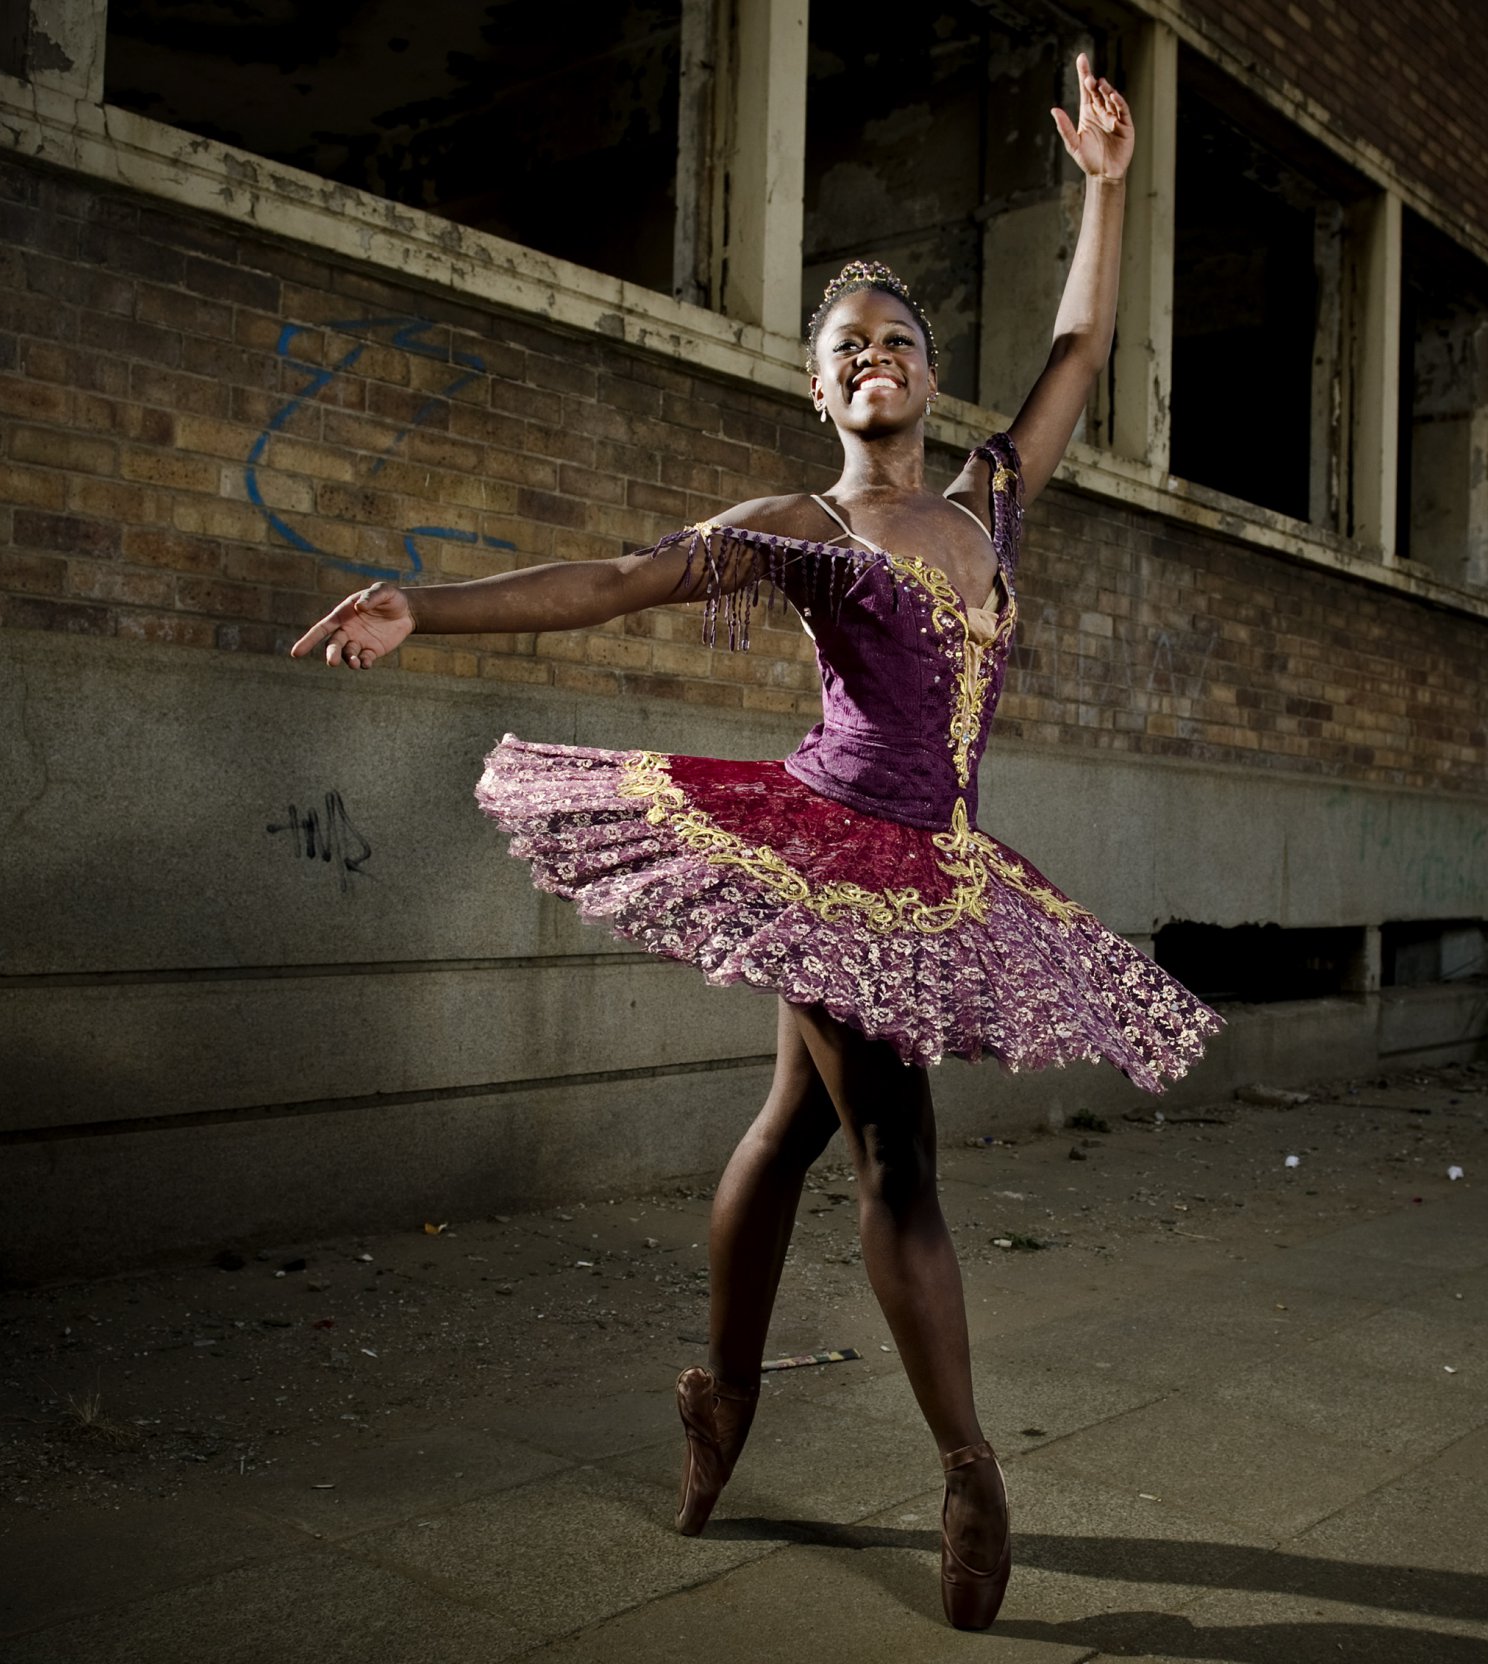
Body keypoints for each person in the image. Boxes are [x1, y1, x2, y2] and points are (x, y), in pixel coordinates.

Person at [291, 55, 1216, 1631]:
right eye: (845, 349)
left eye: (898, 342)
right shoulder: (805, 527)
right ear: (819, 391)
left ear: (930, 375)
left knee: (793, 1128)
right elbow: (614, 578)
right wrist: (421, 605)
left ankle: (719, 1396)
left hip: (941, 861)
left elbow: (1079, 346)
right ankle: (972, 1468)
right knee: (895, 1154)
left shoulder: (994, 502)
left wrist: (1109, 189)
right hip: (828, 851)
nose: (874, 358)